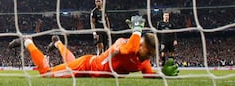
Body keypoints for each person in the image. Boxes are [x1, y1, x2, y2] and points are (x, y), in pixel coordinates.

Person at [9, 15, 179, 78]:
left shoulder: (143, 60)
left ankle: (58, 43)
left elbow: (148, 75)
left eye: (150, 55)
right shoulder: (122, 43)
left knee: (70, 62)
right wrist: (136, 30)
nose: (147, 57)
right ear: (140, 44)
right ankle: (27, 41)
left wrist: (163, 74)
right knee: (46, 74)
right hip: (86, 66)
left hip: (88, 69)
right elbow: (127, 51)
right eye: (147, 52)